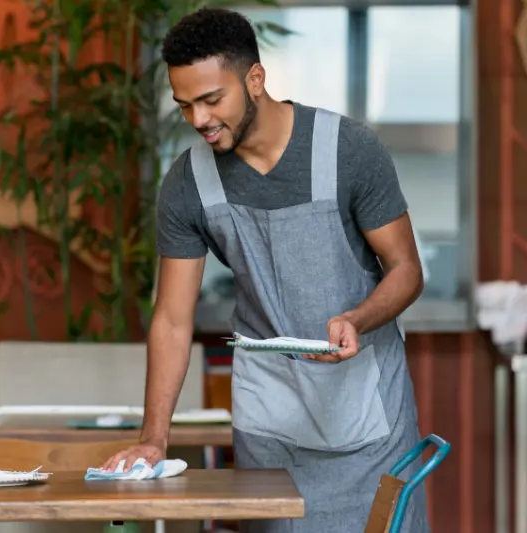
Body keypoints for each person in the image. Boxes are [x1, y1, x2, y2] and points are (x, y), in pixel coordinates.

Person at [101, 7, 429, 533]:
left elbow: (407, 270)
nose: (199, 120)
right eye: (184, 105)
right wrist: (154, 437)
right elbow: (171, 319)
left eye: (212, 100)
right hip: (270, 419)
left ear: (255, 79)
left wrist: (359, 318)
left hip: (364, 412)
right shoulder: (188, 183)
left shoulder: (348, 151)